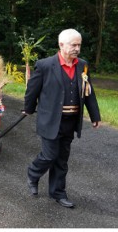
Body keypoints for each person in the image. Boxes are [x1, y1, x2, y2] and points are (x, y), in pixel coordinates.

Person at [23, 28, 101, 209]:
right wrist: (28, 108)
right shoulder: (45, 65)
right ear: (61, 45)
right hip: (50, 120)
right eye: (73, 45)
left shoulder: (83, 65)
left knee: (62, 159)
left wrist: (95, 115)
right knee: (49, 155)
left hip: (70, 121)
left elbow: (89, 93)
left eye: (79, 45)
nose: (77, 48)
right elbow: (32, 90)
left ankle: (57, 192)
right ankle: (33, 174)